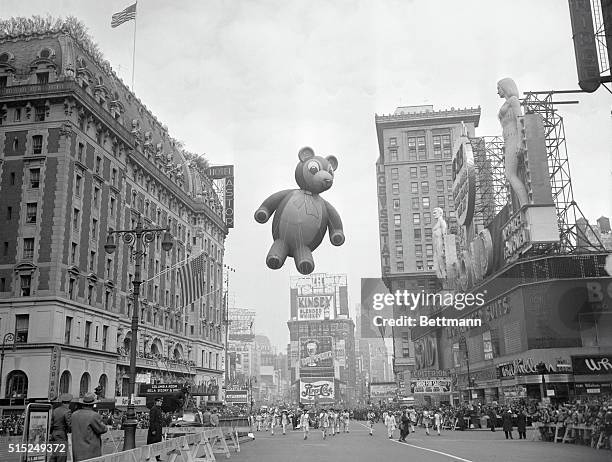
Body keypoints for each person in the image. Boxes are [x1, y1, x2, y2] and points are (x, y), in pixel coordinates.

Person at [498, 77, 529, 209]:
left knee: (510, 174)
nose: (497, 91)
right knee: (511, 174)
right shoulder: (507, 103)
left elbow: (519, 120)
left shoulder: (514, 100)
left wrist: (520, 142)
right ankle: (523, 204)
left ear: (505, 87)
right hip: (508, 140)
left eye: (498, 88)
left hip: (514, 138)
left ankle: (525, 204)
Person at [71, 392, 107, 462]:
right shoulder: (94, 415)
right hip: (90, 451)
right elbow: (102, 429)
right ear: (93, 404)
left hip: (77, 451)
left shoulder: (74, 414)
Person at [49, 393, 72, 462]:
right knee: (61, 456)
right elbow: (69, 424)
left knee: (55, 454)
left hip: (54, 433)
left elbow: (51, 423)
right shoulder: (67, 411)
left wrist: (51, 433)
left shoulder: (55, 410)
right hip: (61, 434)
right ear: (69, 402)